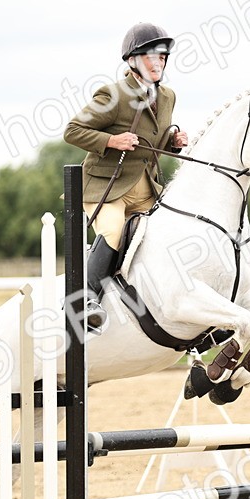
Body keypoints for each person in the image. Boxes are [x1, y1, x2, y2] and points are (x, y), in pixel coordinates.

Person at [64, 22, 189, 332]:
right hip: (106, 188)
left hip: (146, 186)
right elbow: (73, 131)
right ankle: (85, 302)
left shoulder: (168, 97)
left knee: (168, 234)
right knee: (115, 232)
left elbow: (150, 144)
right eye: (151, 56)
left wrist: (171, 139)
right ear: (133, 61)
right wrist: (112, 141)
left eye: (162, 57)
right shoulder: (114, 95)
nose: (158, 62)